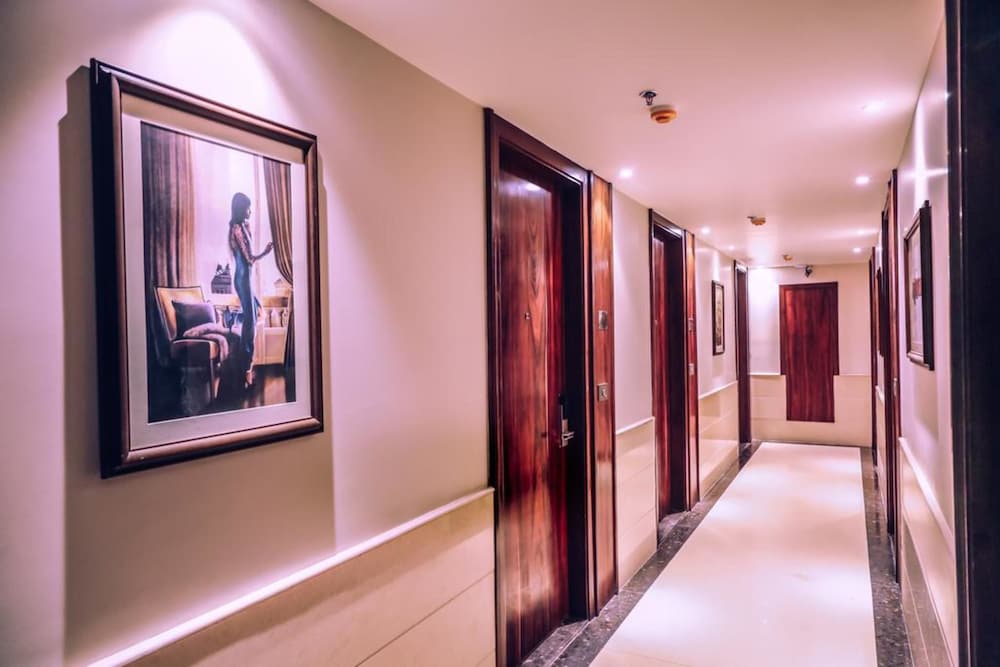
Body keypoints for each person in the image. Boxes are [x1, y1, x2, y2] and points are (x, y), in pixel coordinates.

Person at [228, 192, 272, 386]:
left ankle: (246, 364)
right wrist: (266, 252)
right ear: (241, 209)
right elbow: (250, 259)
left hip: (246, 279)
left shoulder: (243, 227)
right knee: (250, 322)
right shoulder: (236, 229)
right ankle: (246, 366)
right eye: (248, 208)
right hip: (243, 279)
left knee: (254, 314)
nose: (250, 211)